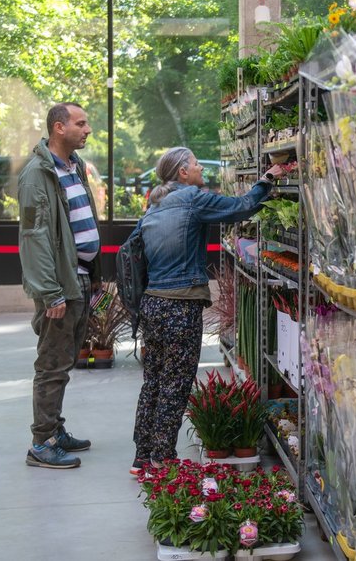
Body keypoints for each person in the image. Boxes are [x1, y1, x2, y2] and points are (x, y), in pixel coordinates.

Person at [129, 147, 286, 474]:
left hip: (152, 303)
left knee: (154, 380)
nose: (201, 168)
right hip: (180, 305)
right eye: (197, 163)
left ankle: (142, 456)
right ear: (183, 172)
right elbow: (242, 207)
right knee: (176, 382)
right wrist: (268, 178)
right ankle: (162, 458)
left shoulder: (154, 205)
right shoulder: (192, 198)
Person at [18, 102, 101, 469]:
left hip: (79, 278)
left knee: (65, 362)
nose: (87, 129)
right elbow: (34, 237)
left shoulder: (74, 166)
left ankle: (55, 429)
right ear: (58, 128)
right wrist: (50, 292)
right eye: (80, 123)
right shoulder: (37, 173)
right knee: (52, 364)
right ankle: (41, 443)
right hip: (60, 287)